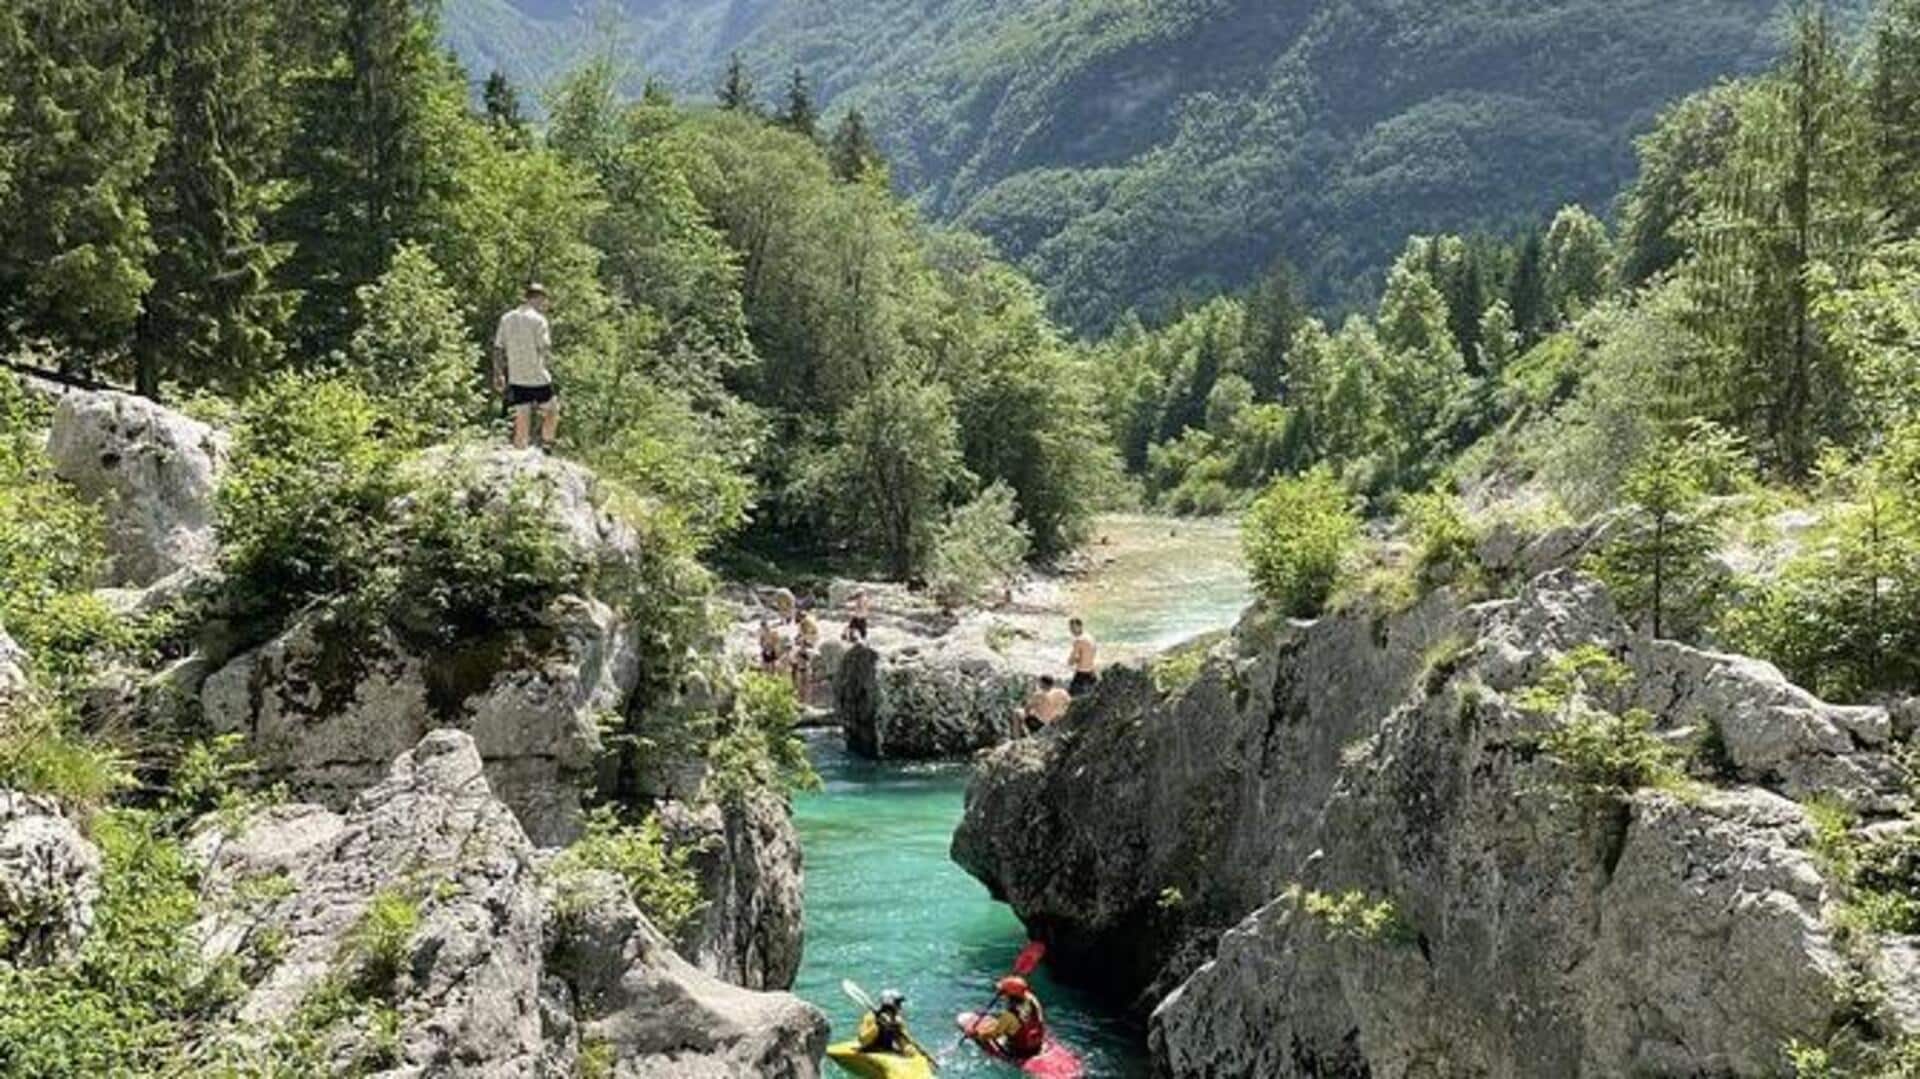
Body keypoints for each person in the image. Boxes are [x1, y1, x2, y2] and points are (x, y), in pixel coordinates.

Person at [492, 284, 558, 450]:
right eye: (544, 301)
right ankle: (547, 446)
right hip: (537, 376)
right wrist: (548, 365)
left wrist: (499, 373)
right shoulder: (539, 320)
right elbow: (544, 348)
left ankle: (519, 454)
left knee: (522, 416)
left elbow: (498, 348)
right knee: (552, 410)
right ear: (539, 299)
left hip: (516, 376)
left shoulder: (507, 318)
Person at [969, 976, 1047, 1061]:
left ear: (1008, 995)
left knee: (987, 1035)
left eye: (1003, 992)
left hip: (1020, 1050)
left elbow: (994, 1034)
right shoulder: (1032, 1000)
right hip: (1037, 1043)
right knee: (1012, 1025)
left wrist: (975, 1034)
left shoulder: (1009, 1016)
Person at [856, 989, 915, 1056]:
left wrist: (908, 1049)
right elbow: (862, 1040)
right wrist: (878, 1025)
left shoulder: (897, 1020)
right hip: (870, 1049)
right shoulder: (871, 1017)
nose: (900, 1007)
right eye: (898, 1003)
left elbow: (904, 1043)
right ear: (889, 1004)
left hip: (886, 1050)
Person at [1013, 674, 1072, 738]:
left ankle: (1017, 738)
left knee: (1017, 712)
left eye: (1040, 683)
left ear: (1042, 684)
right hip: (1053, 722)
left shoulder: (1039, 695)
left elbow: (1027, 709)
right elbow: (1069, 703)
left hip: (1039, 723)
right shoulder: (1062, 693)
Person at [1066, 618, 1099, 697]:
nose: (1072, 630)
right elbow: (1092, 652)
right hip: (1092, 671)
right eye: (1071, 628)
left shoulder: (1078, 641)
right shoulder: (1090, 638)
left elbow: (1071, 660)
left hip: (1081, 673)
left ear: (1080, 626)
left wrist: (1071, 661)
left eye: (1073, 628)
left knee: (1070, 697)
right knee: (1094, 696)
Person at [792, 607, 820, 695]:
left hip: (811, 639)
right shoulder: (806, 621)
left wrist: (802, 639)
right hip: (810, 638)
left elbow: (808, 633)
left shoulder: (807, 622)